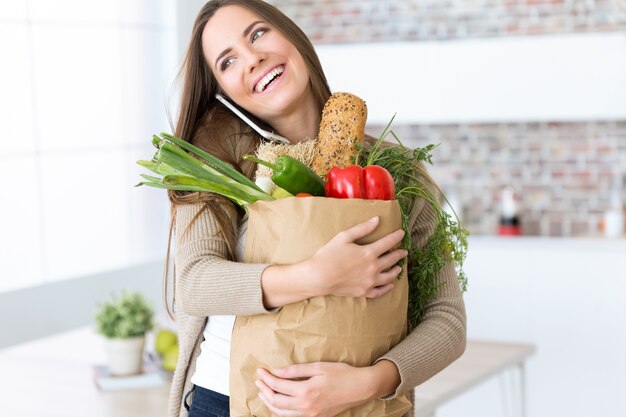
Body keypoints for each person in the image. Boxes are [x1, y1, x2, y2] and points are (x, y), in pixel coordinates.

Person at [165, 1, 467, 417]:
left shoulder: (396, 171)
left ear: (292, 36)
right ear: (223, 91)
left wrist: (370, 382)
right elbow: (194, 283)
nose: (253, 59)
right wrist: (319, 276)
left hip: (358, 405)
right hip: (229, 402)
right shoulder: (216, 164)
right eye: (228, 60)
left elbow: (447, 319)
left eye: (257, 34)